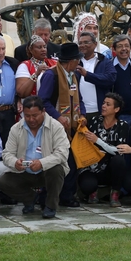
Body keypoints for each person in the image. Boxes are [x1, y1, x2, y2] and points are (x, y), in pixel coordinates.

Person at [0, 96, 70, 219]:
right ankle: (30, 199)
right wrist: (15, 162)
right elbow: (6, 154)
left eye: (35, 115)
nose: (31, 119)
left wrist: (42, 163)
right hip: (24, 171)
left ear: (43, 112)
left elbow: (62, 154)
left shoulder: (56, 127)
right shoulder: (16, 128)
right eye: (27, 116)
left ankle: (50, 206)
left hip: (46, 171)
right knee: (3, 182)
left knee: (57, 169)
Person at [36, 42, 85, 207]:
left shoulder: (74, 75)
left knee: (71, 161)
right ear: (70, 61)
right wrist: (57, 116)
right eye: (77, 59)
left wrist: (82, 114)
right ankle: (48, 197)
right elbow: (42, 101)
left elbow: (80, 98)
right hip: (54, 126)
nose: (79, 62)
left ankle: (67, 195)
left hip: (72, 126)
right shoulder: (52, 75)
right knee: (56, 161)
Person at [77, 93, 130, 207]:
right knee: (87, 186)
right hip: (91, 165)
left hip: (109, 168)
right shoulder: (94, 121)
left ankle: (115, 193)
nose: (103, 106)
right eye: (103, 103)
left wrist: (98, 141)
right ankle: (92, 192)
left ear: (116, 109)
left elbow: (118, 151)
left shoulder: (123, 125)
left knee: (119, 160)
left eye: (108, 104)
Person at [75, 31, 117, 121]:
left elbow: (110, 79)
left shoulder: (104, 61)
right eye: (80, 43)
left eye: (86, 42)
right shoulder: (75, 62)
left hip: (99, 110)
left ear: (95, 44)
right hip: (78, 111)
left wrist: (87, 75)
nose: (82, 45)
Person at [15, 35, 57, 99]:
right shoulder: (24, 66)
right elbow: (21, 93)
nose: (43, 49)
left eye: (44, 47)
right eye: (39, 47)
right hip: (34, 105)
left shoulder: (53, 63)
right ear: (31, 50)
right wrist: (36, 73)